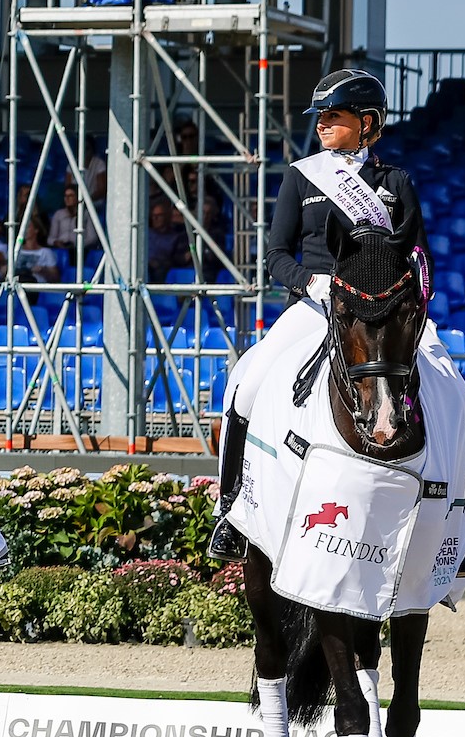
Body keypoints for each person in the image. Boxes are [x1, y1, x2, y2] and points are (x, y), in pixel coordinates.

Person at [210, 67, 426, 562]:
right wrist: (310, 282)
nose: (323, 125)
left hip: (384, 310)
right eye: (321, 118)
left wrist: (405, 302)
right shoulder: (301, 176)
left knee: (454, 390)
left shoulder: (395, 183)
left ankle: (454, 513)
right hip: (316, 304)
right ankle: (232, 509)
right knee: (247, 379)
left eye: (335, 116)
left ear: (367, 123)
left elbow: (418, 256)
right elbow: (276, 254)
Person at [146, 200, 190, 281]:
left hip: (162, 270)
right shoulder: (146, 233)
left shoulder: (177, 237)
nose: (155, 218)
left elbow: (178, 259)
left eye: (159, 215)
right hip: (144, 267)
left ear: (167, 217)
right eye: (153, 215)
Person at [14, 217, 60, 284]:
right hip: (17, 286)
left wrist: (43, 271)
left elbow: (56, 278)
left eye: (28, 226)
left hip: (36, 288)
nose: (24, 230)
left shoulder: (46, 252)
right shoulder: (16, 250)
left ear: (36, 230)